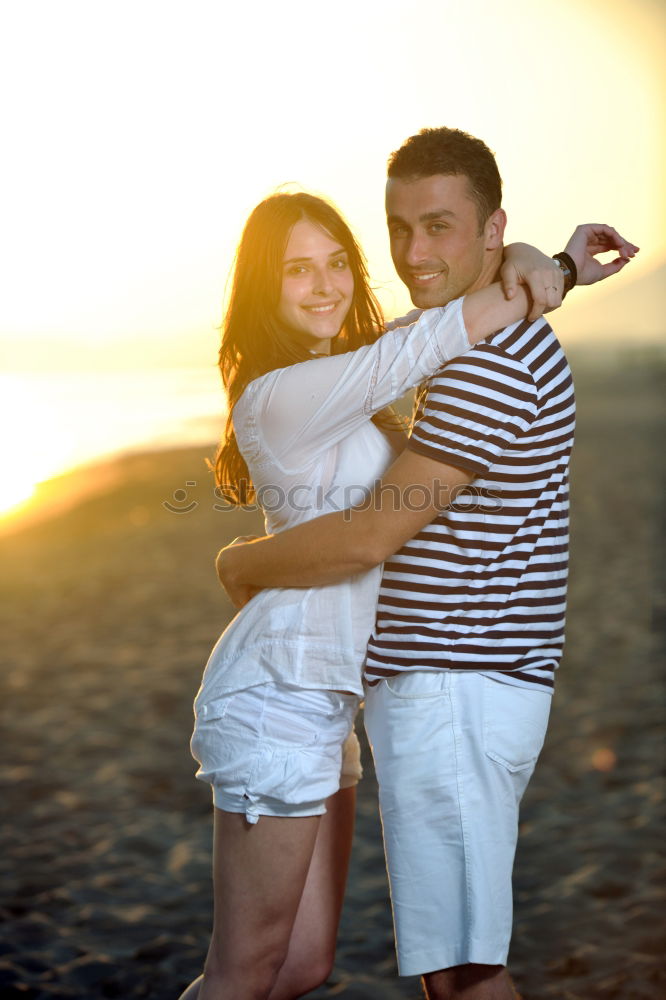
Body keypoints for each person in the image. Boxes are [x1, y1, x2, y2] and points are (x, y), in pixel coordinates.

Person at [215, 129, 639, 1000]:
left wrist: (244, 562)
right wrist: (541, 263)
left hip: (457, 680)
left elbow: (373, 533)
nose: (413, 253)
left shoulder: (485, 362)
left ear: (491, 227)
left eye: (441, 225)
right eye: (399, 228)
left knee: (462, 973)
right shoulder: (412, 358)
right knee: (374, 968)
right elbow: (414, 338)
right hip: (399, 686)